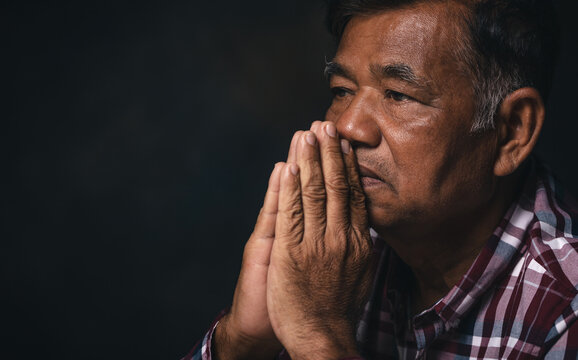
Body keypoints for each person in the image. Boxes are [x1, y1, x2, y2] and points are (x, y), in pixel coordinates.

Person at [183, 0, 578, 358]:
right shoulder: (331, 252)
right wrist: (242, 341)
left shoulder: (565, 311)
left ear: (512, 131)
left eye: (398, 95)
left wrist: (320, 337)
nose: (349, 126)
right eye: (341, 90)